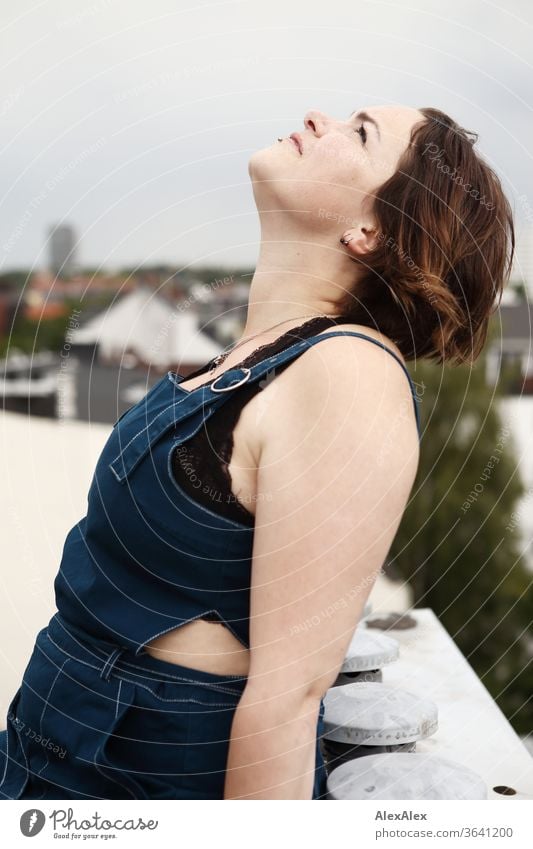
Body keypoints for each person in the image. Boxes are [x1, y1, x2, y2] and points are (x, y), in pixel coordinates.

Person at [0, 105, 514, 800]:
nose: (318, 117)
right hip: (49, 746)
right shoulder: (254, 356)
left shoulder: (347, 374)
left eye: (360, 133)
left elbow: (288, 696)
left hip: (140, 785)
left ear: (370, 231)